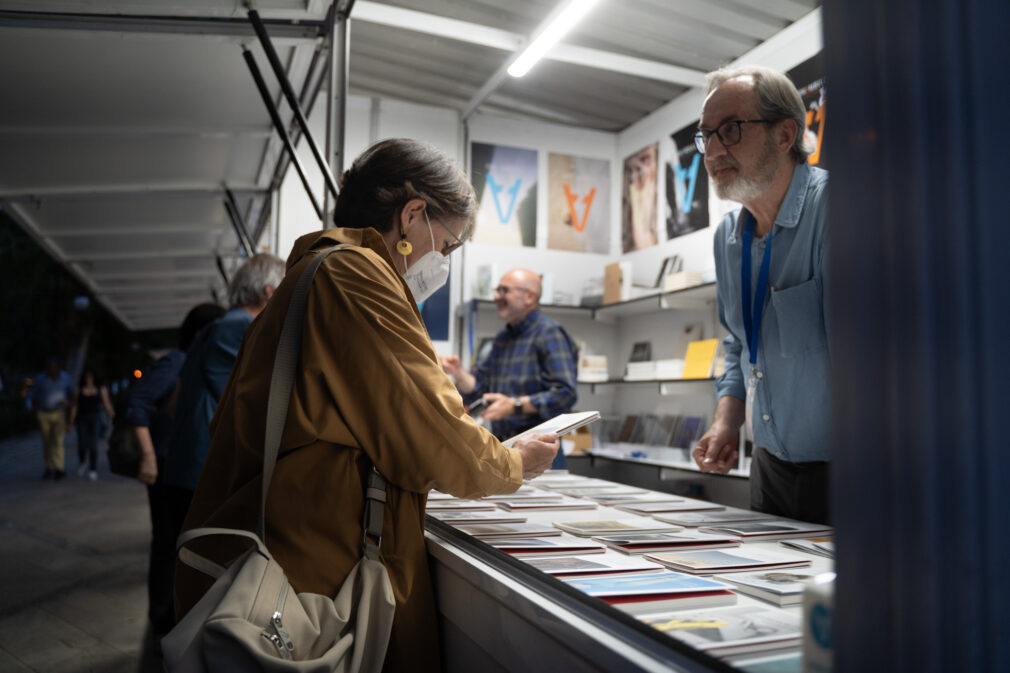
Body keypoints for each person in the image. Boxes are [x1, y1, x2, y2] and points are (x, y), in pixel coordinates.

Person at [174, 139, 559, 672]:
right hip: (318, 562)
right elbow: (430, 427)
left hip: (293, 540)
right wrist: (513, 464)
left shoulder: (311, 274)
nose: (442, 261)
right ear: (413, 216)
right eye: (446, 245)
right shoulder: (355, 274)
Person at [690, 65, 831, 524]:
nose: (712, 151)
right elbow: (738, 341)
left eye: (729, 130)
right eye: (706, 136)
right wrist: (727, 420)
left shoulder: (837, 211)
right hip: (767, 466)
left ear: (784, 133)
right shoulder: (728, 236)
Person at [161, 254, 285, 574]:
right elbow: (253, 398)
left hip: (190, 466)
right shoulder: (239, 326)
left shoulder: (220, 325)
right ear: (271, 291)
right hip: (203, 469)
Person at [122, 302, 224, 644]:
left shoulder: (193, 362)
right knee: (167, 544)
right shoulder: (178, 360)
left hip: (174, 464)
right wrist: (149, 456)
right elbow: (136, 402)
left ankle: (167, 618)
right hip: (166, 466)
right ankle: (162, 620)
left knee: (171, 544)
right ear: (202, 332)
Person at [440, 268, 578, 468]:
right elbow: (480, 390)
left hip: (542, 451)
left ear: (529, 296)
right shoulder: (501, 340)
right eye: (497, 290)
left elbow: (565, 393)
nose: (496, 296)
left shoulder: (549, 333)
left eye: (504, 291)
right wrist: (459, 373)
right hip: (506, 449)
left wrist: (515, 405)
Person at [28, 356, 76, 480]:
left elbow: (72, 395)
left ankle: (59, 468)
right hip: (44, 413)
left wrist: (69, 405)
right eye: (50, 368)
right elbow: (33, 395)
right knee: (47, 441)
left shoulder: (65, 378)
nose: (52, 370)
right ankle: (49, 467)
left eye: (54, 368)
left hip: (59, 413)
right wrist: (35, 412)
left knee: (58, 441)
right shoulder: (40, 378)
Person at [70, 369, 115, 480]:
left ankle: (93, 468)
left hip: (95, 418)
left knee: (93, 443)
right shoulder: (79, 390)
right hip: (82, 418)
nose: (88, 379)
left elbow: (107, 404)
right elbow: (74, 406)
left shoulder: (100, 389)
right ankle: (82, 461)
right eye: (86, 377)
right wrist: (70, 421)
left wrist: (114, 417)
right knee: (82, 442)